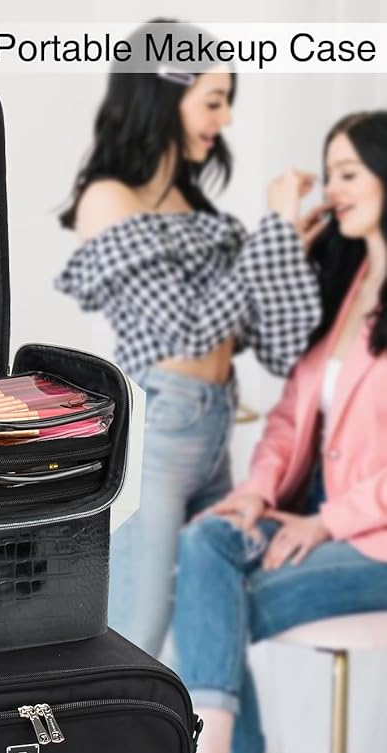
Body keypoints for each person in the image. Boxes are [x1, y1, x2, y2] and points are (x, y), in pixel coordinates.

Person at [55, 20, 324, 658]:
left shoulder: (195, 208)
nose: (224, 119)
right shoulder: (108, 199)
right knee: (138, 628)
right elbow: (186, 328)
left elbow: (271, 343)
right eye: (213, 101)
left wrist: (290, 254)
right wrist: (273, 235)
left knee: (219, 622)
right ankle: (112, 727)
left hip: (214, 425)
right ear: (163, 95)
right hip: (162, 429)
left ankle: (225, 735)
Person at [174, 110, 387, 753]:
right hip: (312, 517)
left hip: (371, 537)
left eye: (348, 173)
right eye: (328, 175)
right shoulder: (348, 283)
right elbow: (292, 417)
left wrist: (327, 521)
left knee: (211, 602)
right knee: (204, 542)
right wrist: (256, 493)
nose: (333, 189)